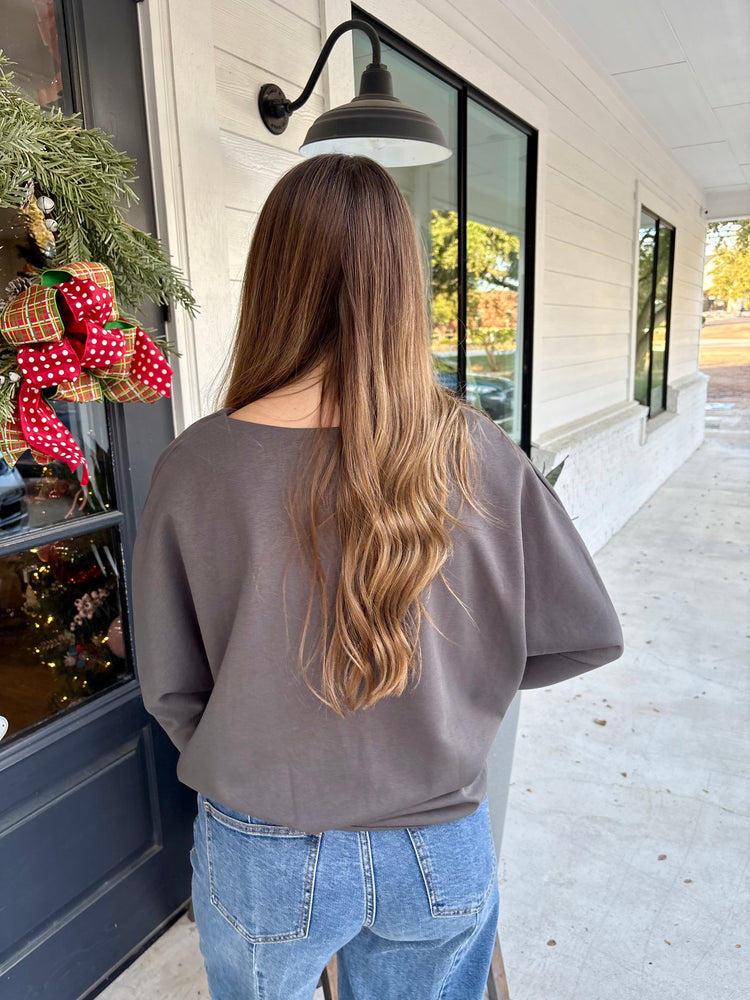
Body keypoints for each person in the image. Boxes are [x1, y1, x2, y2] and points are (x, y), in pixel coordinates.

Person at [131, 153, 624, 1000]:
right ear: (404, 289)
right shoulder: (479, 453)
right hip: (439, 840)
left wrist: (259, 744)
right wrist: (459, 698)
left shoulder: (195, 468)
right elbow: (585, 636)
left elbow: (171, 688)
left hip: (265, 849)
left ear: (273, 282)